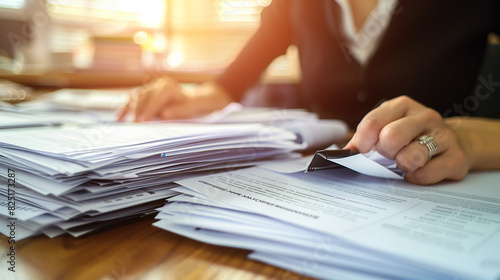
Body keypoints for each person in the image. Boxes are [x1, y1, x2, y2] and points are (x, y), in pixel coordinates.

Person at [118, 1, 500, 184]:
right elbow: (225, 86)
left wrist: (467, 139)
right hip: (321, 184)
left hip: (438, 189)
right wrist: (189, 95)